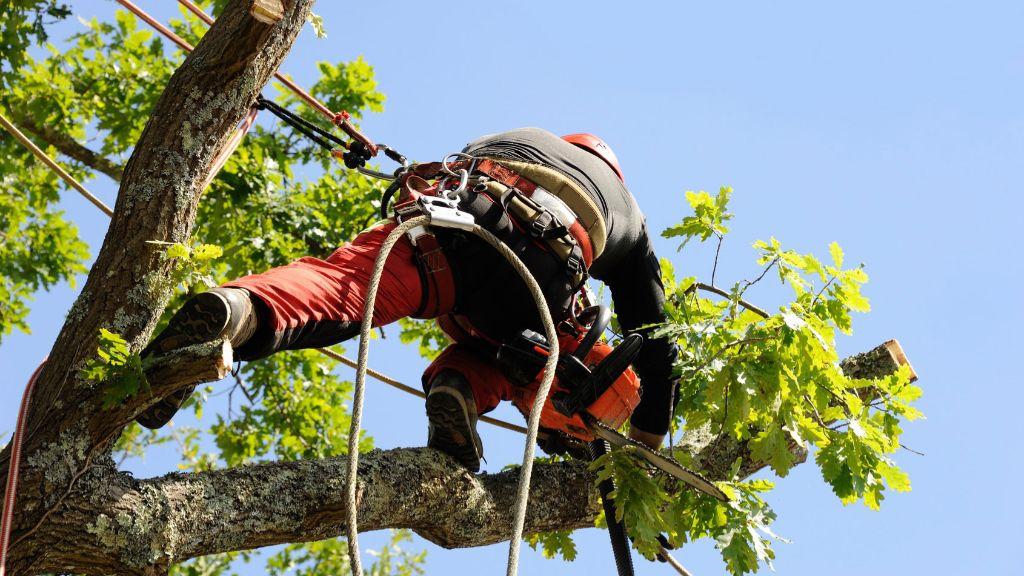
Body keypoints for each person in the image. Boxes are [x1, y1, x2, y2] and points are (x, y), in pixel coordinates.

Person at [138, 127, 678, 472]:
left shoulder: (520, 137)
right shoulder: (627, 211)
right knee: (544, 354)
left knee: (345, 287)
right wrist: (648, 444)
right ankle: (465, 388)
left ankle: (238, 311)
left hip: (455, 221)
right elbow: (657, 340)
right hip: (543, 274)